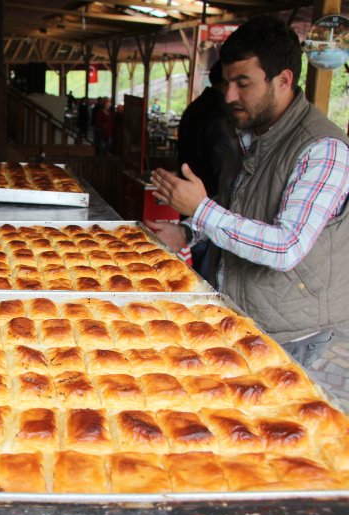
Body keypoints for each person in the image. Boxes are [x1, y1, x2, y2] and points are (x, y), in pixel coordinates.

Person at [147, 16, 349, 369]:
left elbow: (285, 247)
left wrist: (201, 209)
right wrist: (186, 232)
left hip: (296, 335)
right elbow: (238, 214)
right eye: (227, 83)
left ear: (283, 80)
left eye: (243, 83)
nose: (229, 96)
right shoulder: (248, 136)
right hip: (241, 316)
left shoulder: (323, 149)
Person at [176, 60, 240, 276]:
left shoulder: (196, 107)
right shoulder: (219, 116)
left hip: (195, 201)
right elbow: (222, 170)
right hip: (210, 202)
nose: (233, 96)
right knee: (208, 272)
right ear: (224, 83)